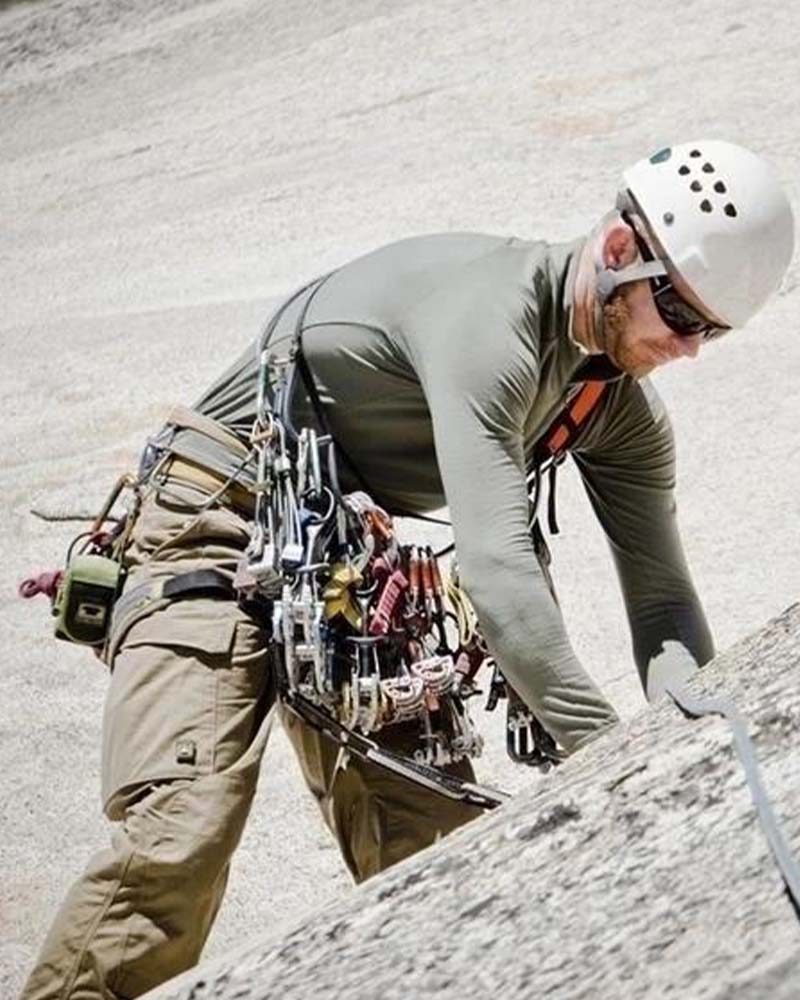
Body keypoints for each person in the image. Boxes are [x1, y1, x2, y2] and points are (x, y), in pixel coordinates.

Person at [22, 139, 794, 999]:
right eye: (682, 317)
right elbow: (502, 583)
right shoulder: (491, 320)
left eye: (712, 332)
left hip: (340, 563)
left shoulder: (615, 412)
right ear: (620, 253)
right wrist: (614, 768)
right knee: (180, 838)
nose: (690, 350)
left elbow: (661, 600)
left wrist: (696, 747)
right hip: (213, 522)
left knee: (438, 854)